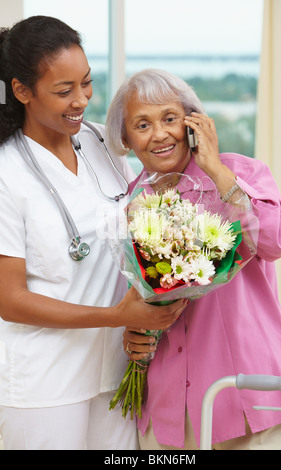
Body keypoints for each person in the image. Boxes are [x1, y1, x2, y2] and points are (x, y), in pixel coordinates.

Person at [0, 19, 186, 451]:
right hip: (46, 381)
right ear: (22, 91)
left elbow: (143, 227)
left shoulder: (102, 142)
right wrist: (120, 316)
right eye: (64, 91)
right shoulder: (7, 173)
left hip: (116, 369)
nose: (82, 100)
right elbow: (9, 301)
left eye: (86, 83)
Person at [105, 68, 281, 450]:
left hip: (249, 401)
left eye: (170, 119)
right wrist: (133, 333)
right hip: (168, 412)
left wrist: (217, 171)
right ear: (126, 138)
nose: (159, 134)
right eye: (142, 124)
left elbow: (278, 241)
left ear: (194, 123)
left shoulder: (239, 172)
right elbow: (137, 293)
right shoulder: (131, 202)